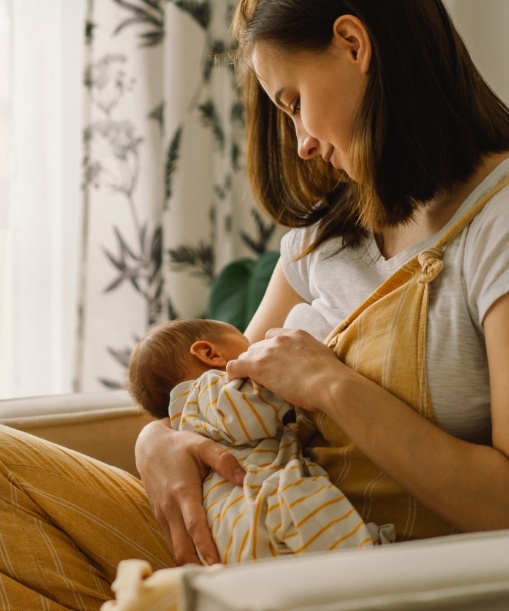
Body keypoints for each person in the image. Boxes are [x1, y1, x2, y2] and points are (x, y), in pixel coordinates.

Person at [1, 1, 509, 608]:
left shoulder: (496, 226)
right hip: (248, 542)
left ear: (353, 43)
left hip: (363, 570)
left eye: (294, 103)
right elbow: (225, 391)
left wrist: (332, 386)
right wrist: (156, 442)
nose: (301, 144)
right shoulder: (325, 235)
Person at [127, 319, 391, 564]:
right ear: (210, 354)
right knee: (333, 545)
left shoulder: (190, 418)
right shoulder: (207, 390)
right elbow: (247, 412)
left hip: (235, 527)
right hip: (263, 503)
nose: (257, 349)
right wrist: (292, 374)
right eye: (247, 343)